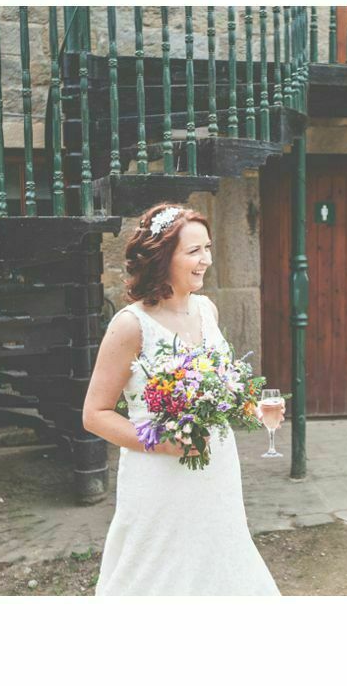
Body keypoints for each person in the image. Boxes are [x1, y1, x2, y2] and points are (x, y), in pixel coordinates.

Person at [82, 203, 278, 596]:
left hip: (216, 470)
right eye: (194, 252)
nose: (205, 260)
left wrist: (251, 407)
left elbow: (219, 388)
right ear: (162, 257)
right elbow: (94, 414)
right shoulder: (130, 325)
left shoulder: (206, 310)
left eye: (207, 248)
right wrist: (161, 441)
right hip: (158, 477)